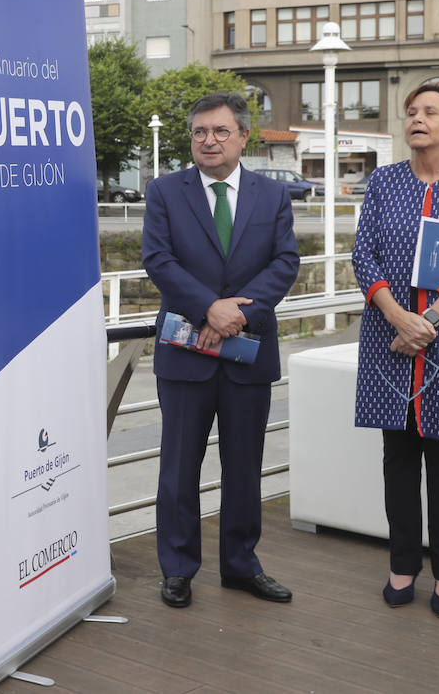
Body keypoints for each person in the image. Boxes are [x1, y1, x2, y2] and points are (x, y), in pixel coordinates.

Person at [141, 91, 300, 609]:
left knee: (245, 466)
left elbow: (284, 263)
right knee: (179, 467)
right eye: (200, 132)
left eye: (220, 131)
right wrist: (210, 309)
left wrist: (235, 317)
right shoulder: (165, 191)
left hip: (248, 350)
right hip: (186, 352)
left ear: (243, 137)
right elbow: (159, 261)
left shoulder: (271, 196)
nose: (209, 140)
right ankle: (179, 568)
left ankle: (240, 565)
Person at [351, 82, 439, 618]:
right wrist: (396, 314)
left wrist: (428, 320)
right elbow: (362, 254)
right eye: (411, 112)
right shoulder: (384, 182)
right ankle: (402, 566)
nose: (417, 119)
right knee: (397, 458)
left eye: (430, 112)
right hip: (388, 338)